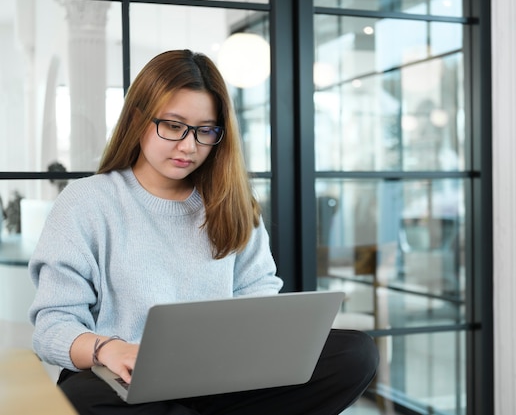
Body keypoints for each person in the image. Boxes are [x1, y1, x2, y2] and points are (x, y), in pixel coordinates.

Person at [28, 49, 379, 415]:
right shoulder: (87, 202)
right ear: (137, 118)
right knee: (82, 397)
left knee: (354, 353)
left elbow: (259, 298)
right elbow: (53, 327)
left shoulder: (231, 204)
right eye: (174, 126)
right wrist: (108, 349)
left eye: (205, 130)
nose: (189, 146)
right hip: (122, 378)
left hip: (224, 378)